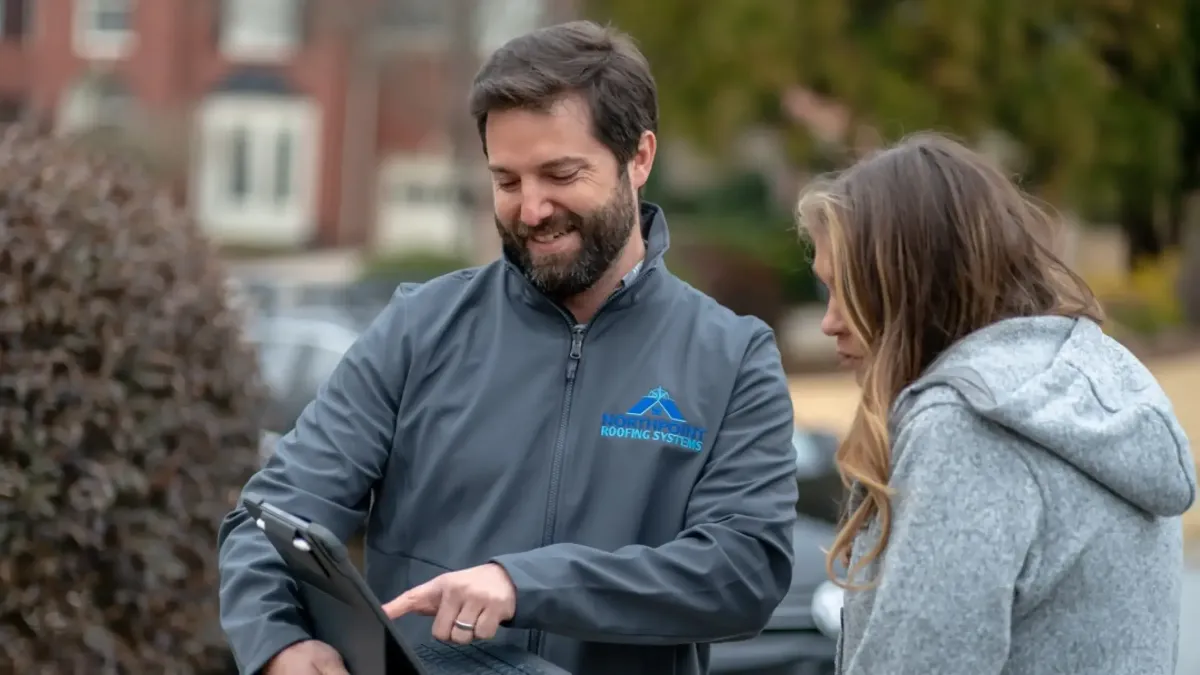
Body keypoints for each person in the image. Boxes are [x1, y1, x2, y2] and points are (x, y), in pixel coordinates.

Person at [217, 20, 799, 675]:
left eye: (560, 173)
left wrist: (524, 584)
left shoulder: (732, 357)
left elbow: (744, 571)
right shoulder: (419, 329)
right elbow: (270, 518)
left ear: (639, 157)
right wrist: (279, 643)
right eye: (508, 180)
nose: (531, 209)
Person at [797, 132, 1197, 675]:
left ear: (914, 283)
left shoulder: (968, 430)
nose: (831, 321)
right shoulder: (1102, 389)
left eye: (850, 287)